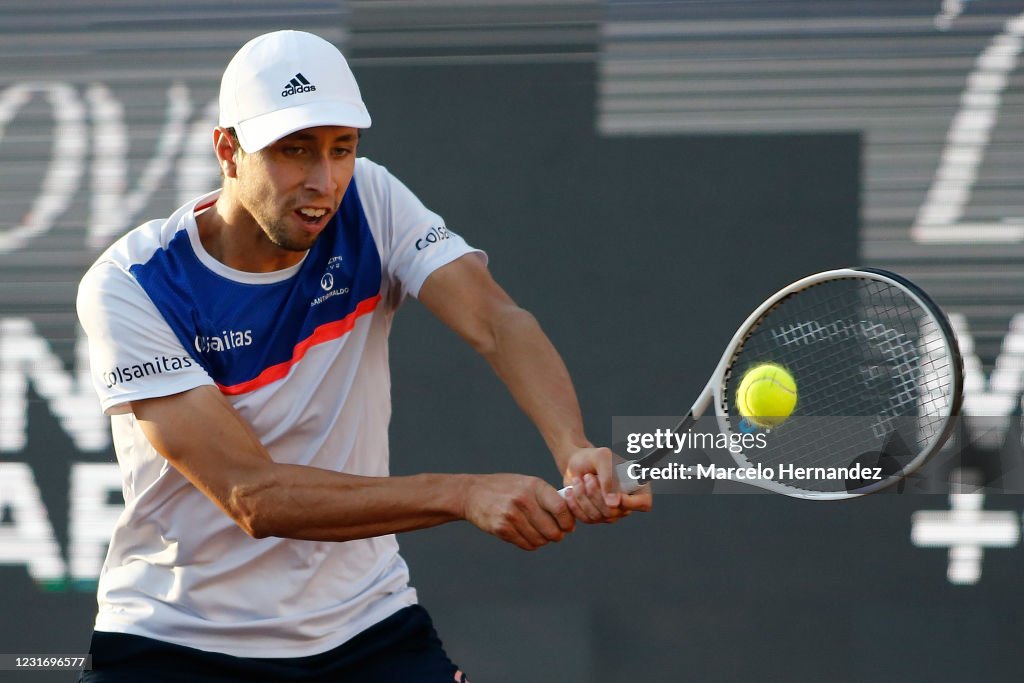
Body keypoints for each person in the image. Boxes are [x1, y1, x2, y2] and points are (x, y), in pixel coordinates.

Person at [76, 29, 651, 682]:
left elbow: (497, 320)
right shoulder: (132, 284)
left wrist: (571, 445)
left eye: (341, 149)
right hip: (174, 644)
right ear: (227, 150)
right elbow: (255, 496)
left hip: (364, 628)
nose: (323, 182)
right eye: (294, 151)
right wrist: (463, 493)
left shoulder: (369, 200)